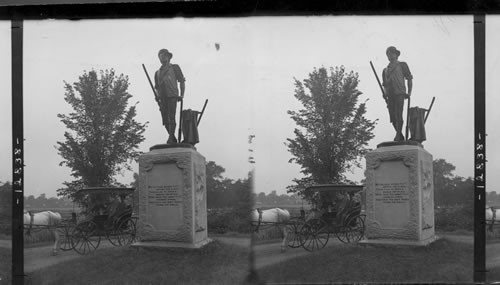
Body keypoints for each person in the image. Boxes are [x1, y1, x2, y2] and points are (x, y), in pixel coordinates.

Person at [154, 49, 186, 144]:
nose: (162, 58)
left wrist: (182, 95)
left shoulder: (175, 67)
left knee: (171, 117)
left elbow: (182, 81)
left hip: (172, 95)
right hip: (162, 98)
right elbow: (156, 87)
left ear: (168, 57)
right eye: (160, 56)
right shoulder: (157, 73)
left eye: (164, 56)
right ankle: (172, 137)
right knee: (165, 119)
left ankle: (171, 137)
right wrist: (157, 96)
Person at [382, 46, 413, 142]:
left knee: (399, 114)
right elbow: (384, 85)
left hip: (400, 93)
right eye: (388, 53)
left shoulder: (402, 65)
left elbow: (409, 79)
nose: (390, 55)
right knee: (392, 117)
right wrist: (384, 93)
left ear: (396, 54)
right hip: (390, 95)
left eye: (392, 53)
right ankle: (399, 134)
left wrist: (409, 92)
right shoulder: (385, 70)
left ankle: (398, 135)